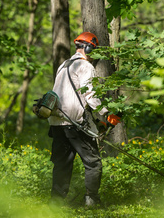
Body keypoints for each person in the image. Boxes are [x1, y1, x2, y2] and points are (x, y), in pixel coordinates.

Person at [48, 32, 121, 207]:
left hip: (57, 123)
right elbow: (91, 96)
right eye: (92, 50)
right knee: (93, 162)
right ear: (88, 48)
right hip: (74, 124)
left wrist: (95, 123)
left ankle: (56, 204)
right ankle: (91, 200)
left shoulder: (64, 65)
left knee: (62, 165)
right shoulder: (85, 67)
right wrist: (106, 113)